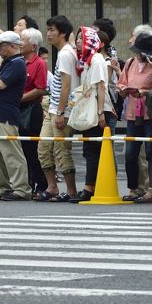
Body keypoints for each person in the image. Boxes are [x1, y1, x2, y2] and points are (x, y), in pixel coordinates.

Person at [0, 31, 30, 201]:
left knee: (11, 153)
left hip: (5, 115)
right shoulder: (8, 62)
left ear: (13, 46)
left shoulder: (17, 63)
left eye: (2, 45)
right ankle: (1, 187)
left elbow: (1, 84)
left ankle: (21, 189)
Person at [36, 15, 79, 202]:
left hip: (63, 110)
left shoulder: (65, 54)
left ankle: (71, 191)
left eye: (52, 30)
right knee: (43, 147)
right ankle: (51, 187)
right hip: (53, 109)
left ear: (63, 33)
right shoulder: (63, 52)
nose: (48, 33)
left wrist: (61, 112)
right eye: (48, 29)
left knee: (62, 150)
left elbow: (66, 86)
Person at [117, 29, 152, 204]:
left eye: (141, 52)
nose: (138, 55)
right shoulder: (129, 63)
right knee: (130, 153)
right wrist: (122, 90)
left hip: (151, 114)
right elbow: (122, 82)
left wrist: (146, 92)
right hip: (132, 113)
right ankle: (134, 188)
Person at [67, 26, 108, 203]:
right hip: (91, 109)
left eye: (81, 39)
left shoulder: (96, 59)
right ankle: (92, 186)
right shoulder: (86, 60)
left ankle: (89, 188)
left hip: (99, 110)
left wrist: (100, 113)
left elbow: (101, 87)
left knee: (92, 150)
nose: (78, 42)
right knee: (90, 150)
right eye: (77, 39)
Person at [19, 28, 48, 195]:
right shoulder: (18, 61)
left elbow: (40, 89)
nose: (19, 43)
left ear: (33, 46)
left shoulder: (39, 63)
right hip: (18, 109)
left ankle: (41, 183)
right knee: (21, 149)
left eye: (23, 40)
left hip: (32, 109)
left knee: (33, 149)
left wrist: (19, 98)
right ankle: (26, 184)